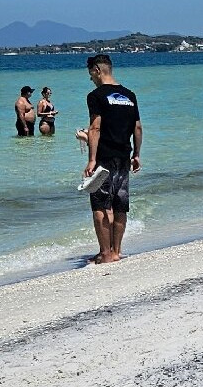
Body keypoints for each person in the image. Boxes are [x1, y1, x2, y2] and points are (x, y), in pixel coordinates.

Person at [82, 54, 142, 265]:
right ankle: (116, 251)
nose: (91, 79)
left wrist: (91, 159)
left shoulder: (95, 96)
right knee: (120, 205)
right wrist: (136, 154)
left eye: (91, 74)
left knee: (100, 205)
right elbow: (137, 127)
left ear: (97, 70)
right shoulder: (129, 95)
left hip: (104, 158)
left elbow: (95, 127)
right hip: (124, 157)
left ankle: (105, 253)